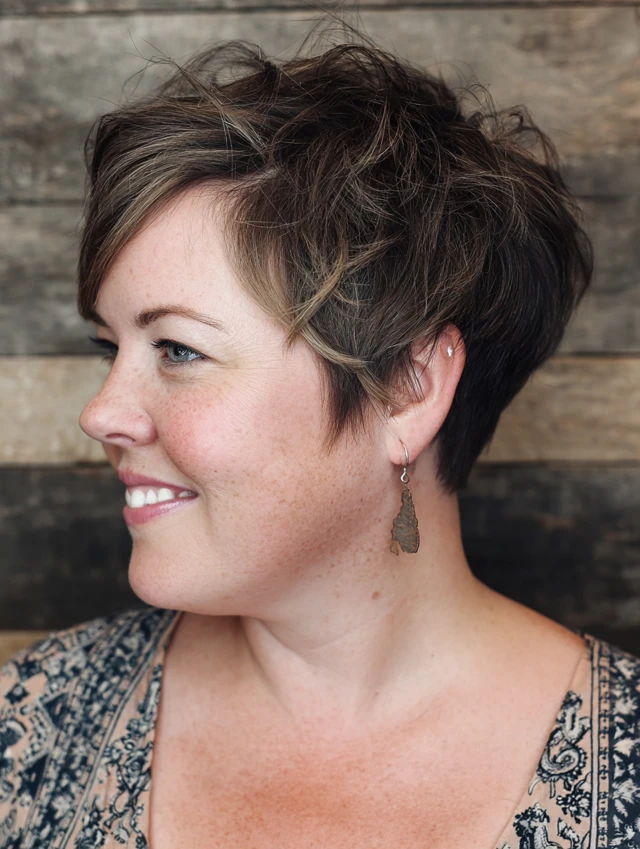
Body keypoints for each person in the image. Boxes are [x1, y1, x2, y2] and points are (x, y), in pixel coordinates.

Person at [2, 18, 639, 849]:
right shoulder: (34, 726)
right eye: (109, 347)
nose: (100, 412)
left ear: (407, 389)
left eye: (179, 350)